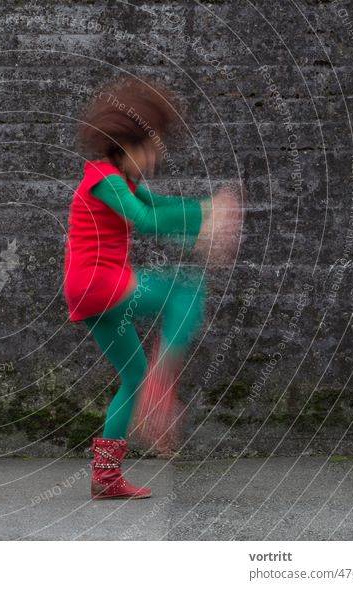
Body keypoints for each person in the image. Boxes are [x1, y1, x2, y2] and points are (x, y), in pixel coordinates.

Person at [63, 76, 242, 499]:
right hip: (99, 282)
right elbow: (144, 221)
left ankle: (106, 478)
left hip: (88, 293)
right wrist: (204, 220)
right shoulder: (104, 177)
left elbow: (156, 207)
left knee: (132, 377)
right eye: (151, 149)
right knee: (187, 292)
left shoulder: (119, 182)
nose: (153, 162)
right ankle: (163, 385)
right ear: (130, 144)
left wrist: (202, 213)